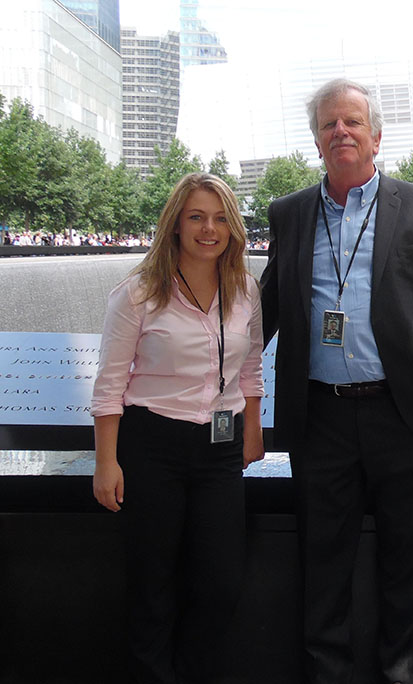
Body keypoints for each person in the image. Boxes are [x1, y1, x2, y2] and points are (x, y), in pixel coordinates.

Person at [260, 78, 413, 684]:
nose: (340, 132)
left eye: (352, 122)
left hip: (406, 419)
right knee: (321, 568)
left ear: (376, 136)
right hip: (320, 420)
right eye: (329, 125)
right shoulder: (292, 213)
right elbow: (264, 312)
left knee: (407, 569)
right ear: (317, 140)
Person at [91, 172, 265, 684]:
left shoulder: (245, 289)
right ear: (175, 224)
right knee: (153, 583)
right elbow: (109, 385)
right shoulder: (139, 291)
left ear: (232, 227)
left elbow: (251, 365)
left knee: (220, 584)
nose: (208, 229)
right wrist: (106, 462)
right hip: (152, 445)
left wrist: (252, 428)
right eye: (196, 217)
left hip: (219, 447)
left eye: (219, 218)